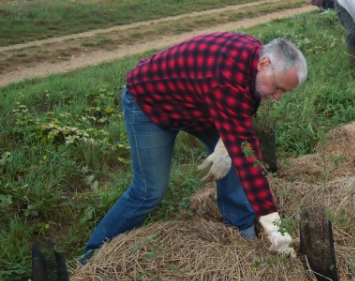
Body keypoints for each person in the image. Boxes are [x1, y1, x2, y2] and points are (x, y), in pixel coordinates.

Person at [82, 32, 307, 261]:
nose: (277, 97)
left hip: (197, 105)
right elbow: (249, 158)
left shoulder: (256, 61)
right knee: (149, 190)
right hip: (150, 105)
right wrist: (273, 224)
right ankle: (92, 256)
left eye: (284, 92)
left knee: (234, 161)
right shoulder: (225, 77)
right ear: (263, 64)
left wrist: (226, 146)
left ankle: (241, 231)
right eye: (278, 88)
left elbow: (244, 108)